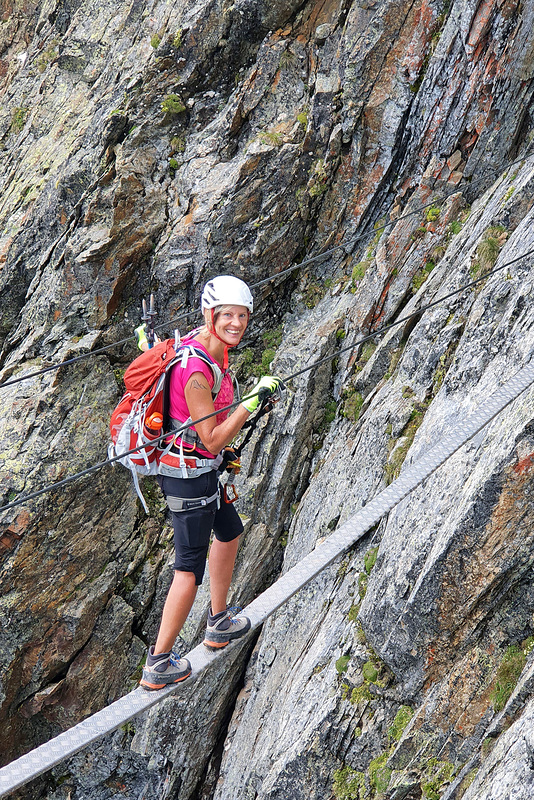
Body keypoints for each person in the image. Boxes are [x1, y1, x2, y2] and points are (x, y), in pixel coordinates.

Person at [140, 276, 282, 690]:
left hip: (202, 471)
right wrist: (250, 403)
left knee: (230, 531)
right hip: (187, 479)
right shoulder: (196, 370)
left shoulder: (212, 351)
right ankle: (158, 661)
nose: (236, 323)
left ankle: (218, 621)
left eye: (241, 316)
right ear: (210, 315)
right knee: (188, 569)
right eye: (228, 316)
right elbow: (213, 436)